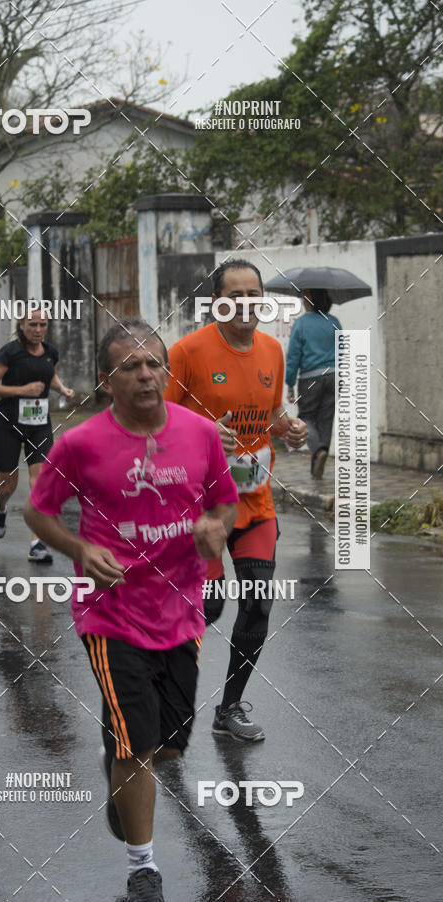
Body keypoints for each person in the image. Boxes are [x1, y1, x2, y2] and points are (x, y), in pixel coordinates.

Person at [24, 319, 238, 902]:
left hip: (181, 610)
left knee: (168, 745)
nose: (146, 375)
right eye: (131, 367)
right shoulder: (81, 443)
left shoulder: (200, 434)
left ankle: (118, 763)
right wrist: (81, 549)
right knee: (137, 747)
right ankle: (142, 866)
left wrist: (216, 530)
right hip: (110, 613)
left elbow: (226, 504)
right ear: (106, 381)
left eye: (154, 364)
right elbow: (38, 512)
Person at [165, 260, 308, 742]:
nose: (246, 303)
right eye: (236, 294)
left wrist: (288, 430)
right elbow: (154, 423)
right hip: (200, 506)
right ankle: (169, 690)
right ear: (217, 302)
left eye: (254, 293)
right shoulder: (187, 353)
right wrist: (203, 434)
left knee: (258, 604)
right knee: (209, 608)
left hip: (255, 500)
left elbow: (269, 417)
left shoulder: (272, 350)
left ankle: (228, 709)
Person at [0, 303, 74, 561]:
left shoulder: (51, 352)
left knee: (40, 481)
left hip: (39, 424)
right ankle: (0, 508)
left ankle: (37, 543)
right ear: (21, 326)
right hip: (7, 423)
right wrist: (22, 390)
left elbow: (49, 377)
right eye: (32, 324)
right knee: (8, 485)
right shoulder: (9, 353)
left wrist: (62, 389)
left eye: (42, 324)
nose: (37, 329)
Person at [286, 289, 341, 479]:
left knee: (306, 417)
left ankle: (318, 451)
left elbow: (293, 356)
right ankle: (319, 461)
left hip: (310, 377)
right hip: (334, 376)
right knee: (326, 419)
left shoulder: (301, 323)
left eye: (304, 297)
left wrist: (290, 384)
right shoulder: (334, 322)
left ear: (310, 299)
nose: (302, 300)